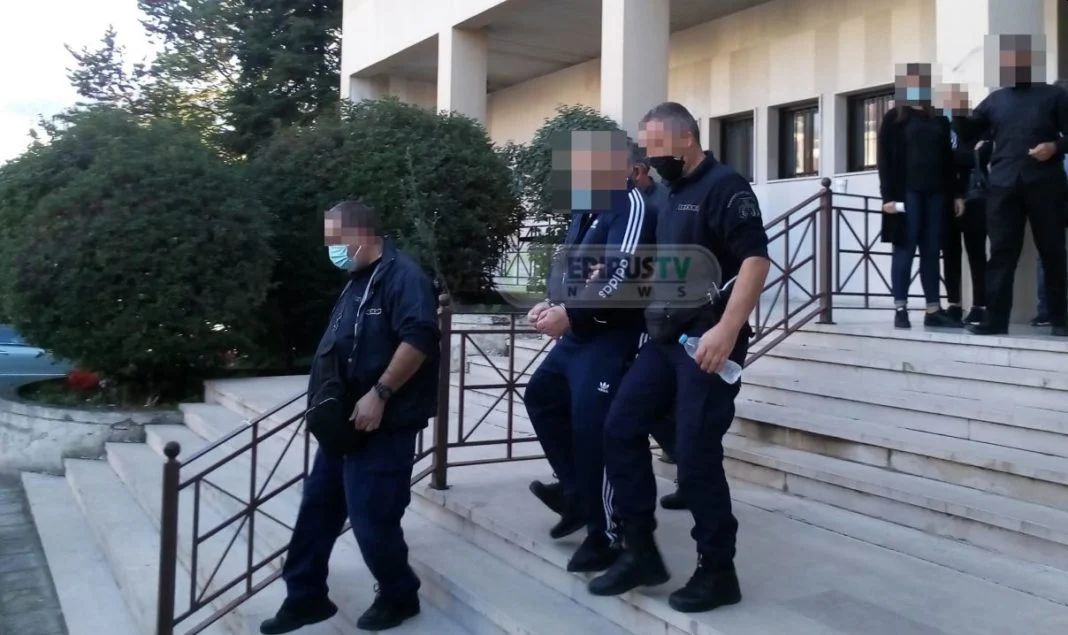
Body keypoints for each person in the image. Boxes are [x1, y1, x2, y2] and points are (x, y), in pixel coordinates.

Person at [589, 103, 771, 614]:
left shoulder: (726, 187)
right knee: (620, 428)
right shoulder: (666, 193)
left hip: (708, 342)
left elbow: (755, 262)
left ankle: (718, 571)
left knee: (695, 456)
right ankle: (639, 550)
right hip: (665, 340)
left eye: (655, 145)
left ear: (686, 138)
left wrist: (727, 329)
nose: (649, 156)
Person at [260, 201, 440, 634]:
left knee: (372, 518)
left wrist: (380, 393)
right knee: (317, 510)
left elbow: (418, 338)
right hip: (343, 422)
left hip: (385, 423)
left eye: (335, 240)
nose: (332, 250)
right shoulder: (357, 279)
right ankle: (305, 598)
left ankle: (399, 594)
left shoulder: (404, 278)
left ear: (361, 235)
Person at [524, 131, 658, 573]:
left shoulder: (630, 205)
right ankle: (578, 495)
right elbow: (573, 263)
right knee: (541, 397)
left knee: (593, 429)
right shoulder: (587, 207)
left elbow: (621, 273)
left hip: (612, 337)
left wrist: (571, 313)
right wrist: (552, 301)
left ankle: (607, 535)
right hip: (579, 334)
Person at [966, 34, 1068, 337]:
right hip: (1003, 185)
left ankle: (1060, 319)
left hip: (1045, 183)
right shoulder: (995, 100)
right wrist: (953, 107)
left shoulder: (1054, 95)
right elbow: (969, 131)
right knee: (1001, 253)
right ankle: (995, 321)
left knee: (1052, 251)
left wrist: (1055, 146)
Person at [877, 63, 965, 329]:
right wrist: (887, 198)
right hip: (906, 194)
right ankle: (900, 309)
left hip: (937, 194)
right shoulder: (893, 119)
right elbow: (884, 160)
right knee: (905, 248)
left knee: (931, 250)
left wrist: (957, 194)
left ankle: (933, 310)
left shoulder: (939, 120)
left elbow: (948, 161)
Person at [942, 83, 991, 325]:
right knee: (950, 252)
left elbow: (983, 156)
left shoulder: (979, 127)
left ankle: (979, 305)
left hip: (976, 197)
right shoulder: (943, 128)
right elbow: (944, 159)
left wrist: (959, 158)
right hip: (948, 196)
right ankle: (954, 305)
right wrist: (968, 156)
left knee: (976, 253)